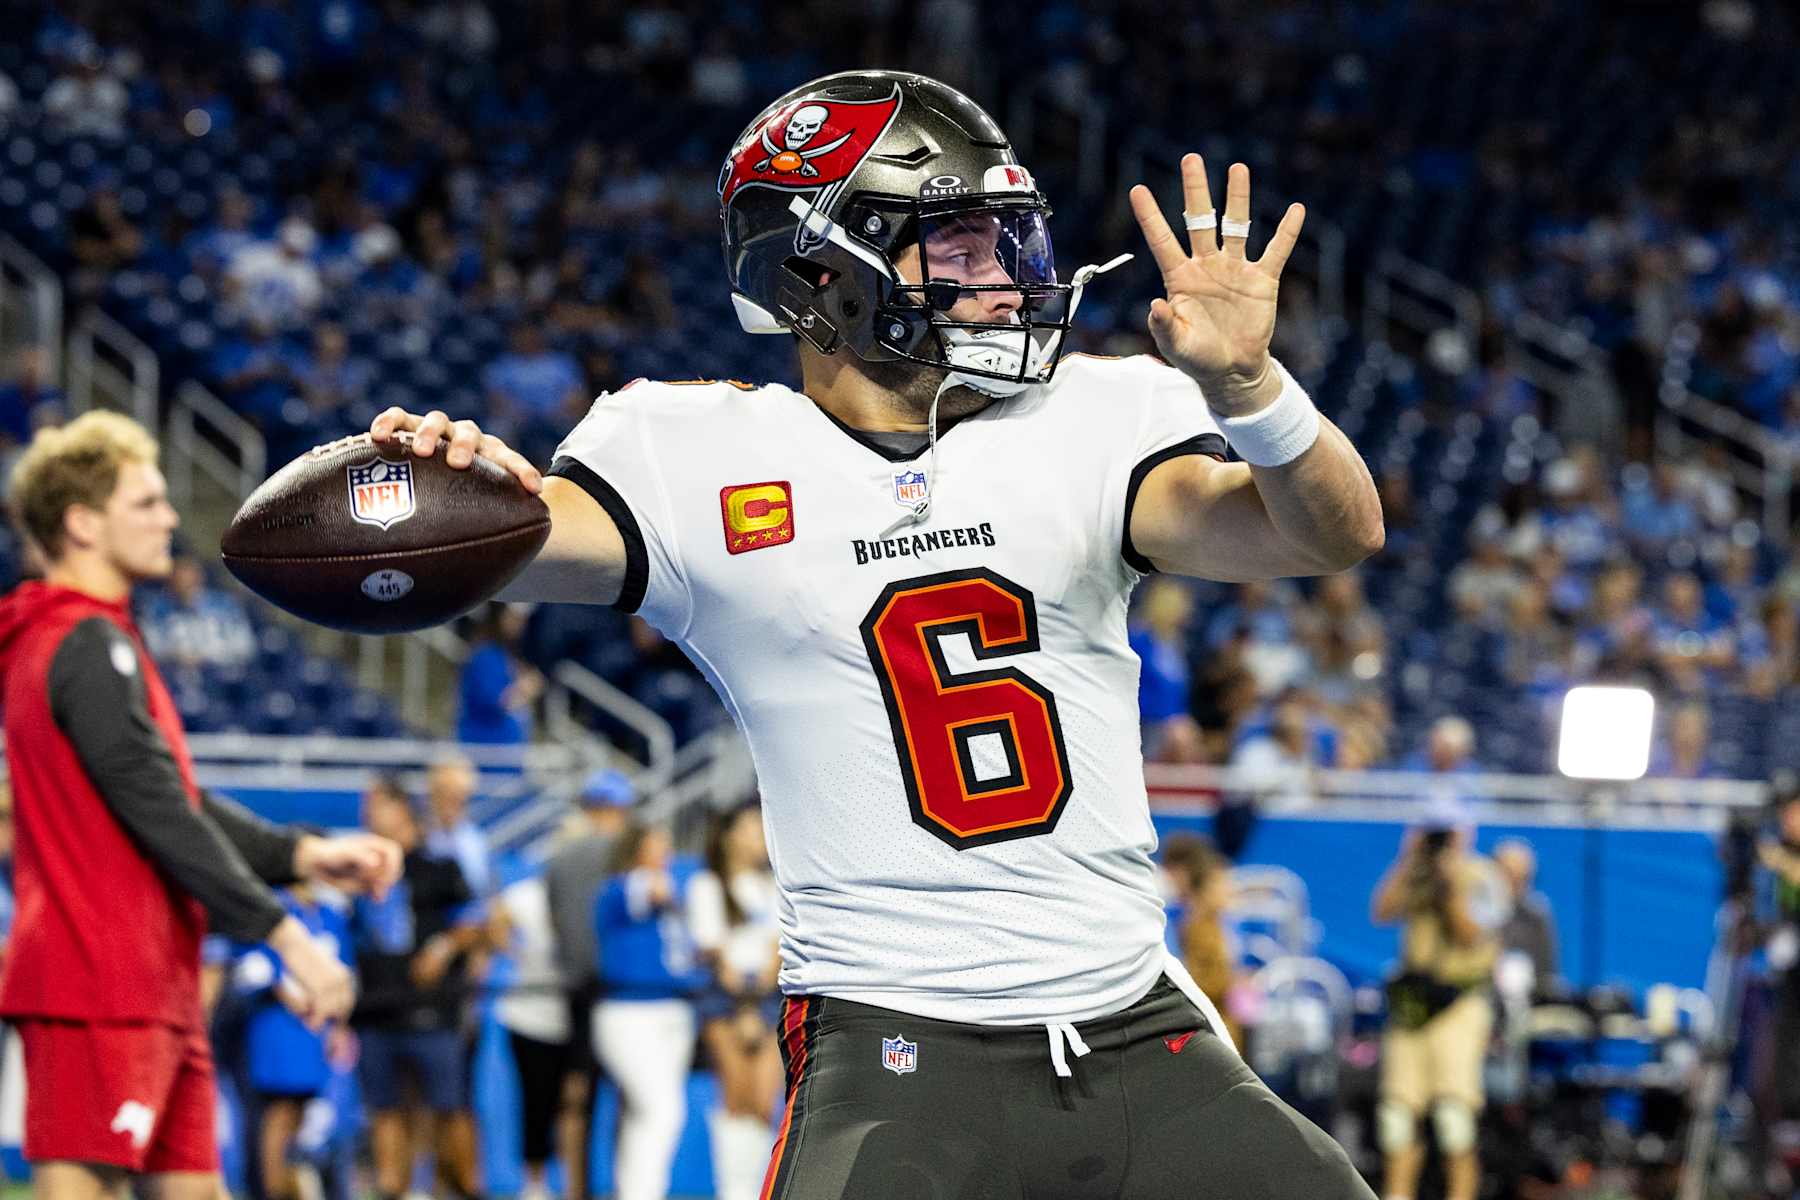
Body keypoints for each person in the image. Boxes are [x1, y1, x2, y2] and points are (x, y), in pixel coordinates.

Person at [370, 69, 1383, 1198]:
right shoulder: (691, 454)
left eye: (1013, 244)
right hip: (899, 1051)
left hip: (1138, 1032)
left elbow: (1328, 535)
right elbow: (472, 547)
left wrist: (1254, 389)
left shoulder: (1090, 418)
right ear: (820, 273)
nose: (1007, 285)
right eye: (957, 249)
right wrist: (436, 492)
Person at [0, 411, 400, 1200]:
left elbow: (165, 796)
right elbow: (162, 815)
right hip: (99, 985)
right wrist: (289, 935)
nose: (171, 519)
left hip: (148, 983)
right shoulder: (82, 643)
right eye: (146, 502)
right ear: (82, 523)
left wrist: (302, 855)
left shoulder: (91, 639)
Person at [348, 777, 489, 1200]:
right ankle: (395, 1188)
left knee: (449, 1105)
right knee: (385, 1107)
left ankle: (466, 1185)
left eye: (376, 806)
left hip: (430, 1005)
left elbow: (474, 920)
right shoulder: (357, 872)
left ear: (401, 810)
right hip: (376, 1006)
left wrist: (442, 949)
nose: (367, 816)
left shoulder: (438, 865)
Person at [1370, 805, 1509, 1200]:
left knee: (1453, 1117)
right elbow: (1381, 912)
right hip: (1414, 1004)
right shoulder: (1417, 875)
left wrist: (1451, 885)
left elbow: (1469, 934)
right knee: (1396, 1116)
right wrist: (1407, 860)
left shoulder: (1482, 877)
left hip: (1459, 1002)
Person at [593, 822, 704, 1200]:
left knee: (644, 1115)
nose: (664, 853)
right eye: (655, 845)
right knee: (662, 1110)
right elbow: (648, 889)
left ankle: (633, 1192)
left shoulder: (669, 891)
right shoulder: (621, 887)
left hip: (673, 1012)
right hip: (629, 1013)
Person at [539, 768, 636, 1200]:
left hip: (577, 989)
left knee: (577, 1092)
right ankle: (623, 1186)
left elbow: (556, 925)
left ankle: (574, 1191)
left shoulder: (559, 857)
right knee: (624, 1093)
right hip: (621, 991)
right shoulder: (624, 856)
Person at [233, 882, 355, 1200]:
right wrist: (289, 995)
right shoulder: (273, 910)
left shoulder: (330, 915)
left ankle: (291, 1185)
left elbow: (345, 971)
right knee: (279, 1109)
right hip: (279, 1024)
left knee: (301, 1109)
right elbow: (253, 965)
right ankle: (271, 1191)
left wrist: (338, 1022)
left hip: (317, 1027)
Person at [687, 802, 781, 1200]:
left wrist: (766, 978)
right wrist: (744, 1001)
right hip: (725, 1000)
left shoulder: (775, 885)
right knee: (736, 1096)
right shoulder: (708, 885)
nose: (757, 836)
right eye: (748, 828)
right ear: (728, 836)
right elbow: (714, 950)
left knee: (763, 1101)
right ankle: (733, 1190)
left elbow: (781, 943)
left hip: (771, 996)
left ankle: (759, 1188)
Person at [489, 870, 570, 1200]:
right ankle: (535, 1185)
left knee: (571, 1102)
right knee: (534, 1101)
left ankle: (570, 1183)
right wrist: (512, 951)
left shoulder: (591, 890)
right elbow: (496, 918)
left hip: (574, 1015)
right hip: (529, 1018)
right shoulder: (528, 894)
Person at [457, 602, 544, 751]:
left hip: (505, 754)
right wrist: (526, 687)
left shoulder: (505, 655)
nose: (520, 625)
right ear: (500, 615)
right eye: (515, 618)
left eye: (522, 620)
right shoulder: (486, 656)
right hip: (487, 754)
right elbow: (494, 702)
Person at [1492, 838, 1560, 997]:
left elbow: (1547, 972)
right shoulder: (1475, 912)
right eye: (1508, 875)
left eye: (1522, 878)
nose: (1515, 884)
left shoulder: (1537, 914)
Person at [424, 753, 492, 897]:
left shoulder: (475, 839)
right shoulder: (418, 835)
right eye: (446, 793)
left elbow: (484, 888)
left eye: (459, 796)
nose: (452, 803)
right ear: (434, 792)